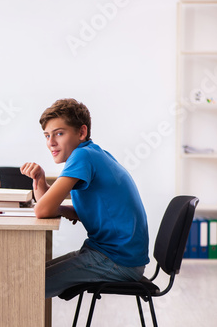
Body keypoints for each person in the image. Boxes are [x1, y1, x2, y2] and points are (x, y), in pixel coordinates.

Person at [20, 98, 149, 298]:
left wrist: (54, 206)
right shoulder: (93, 153)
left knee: (28, 287)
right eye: (46, 136)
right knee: (32, 279)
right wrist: (40, 181)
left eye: (59, 134)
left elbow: (42, 210)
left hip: (116, 261)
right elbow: (60, 208)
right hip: (115, 256)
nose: (50, 143)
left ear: (81, 132)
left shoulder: (82, 157)